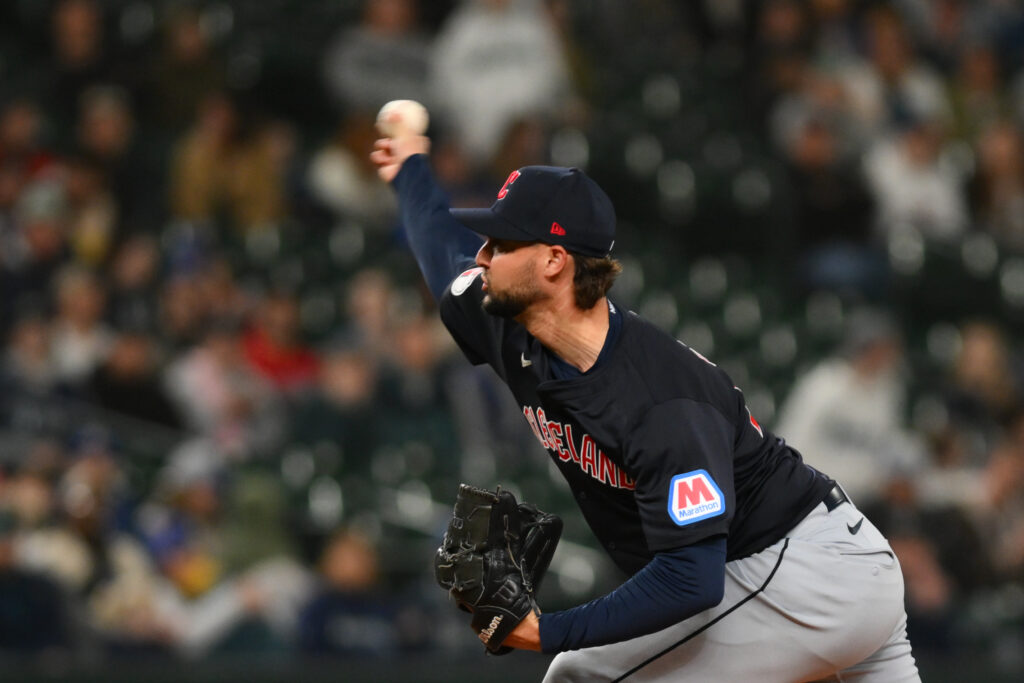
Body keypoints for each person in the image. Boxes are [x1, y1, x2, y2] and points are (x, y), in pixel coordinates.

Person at [370, 123, 921, 681]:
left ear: (554, 261)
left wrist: (544, 630)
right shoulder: (509, 324)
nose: (483, 257)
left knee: (579, 675)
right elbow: (445, 254)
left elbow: (690, 581)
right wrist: (412, 167)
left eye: (502, 244)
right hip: (806, 571)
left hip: (803, 573)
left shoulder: (659, 401)